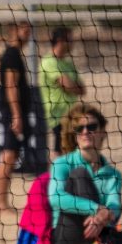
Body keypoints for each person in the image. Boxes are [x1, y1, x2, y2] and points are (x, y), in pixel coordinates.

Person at [48, 102, 122, 244]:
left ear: (102, 132)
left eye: (91, 127)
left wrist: (104, 216)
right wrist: (97, 209)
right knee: (80, 174)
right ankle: (103, 240)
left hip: (101, 242)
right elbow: (56, 198)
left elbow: (115, 206)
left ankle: (103, 241)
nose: (85, 132)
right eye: (79, 128)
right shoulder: (62, 163)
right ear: (74, 135)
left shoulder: (113, 174)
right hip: (67, 240)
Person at [0, 20, 34, 212]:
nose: (28, 33)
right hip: (13, 112)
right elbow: (11, 86)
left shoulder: (12, 54)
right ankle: (2, 204)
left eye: (29, 29)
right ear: (14, 30)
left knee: (12, 155)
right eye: (24, 29)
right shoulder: (11, 55)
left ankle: (3, 202)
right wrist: (17, 115)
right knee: (8, 155)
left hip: (16, 111)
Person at [39, 27, 85, 159]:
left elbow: (82, 89)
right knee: (60, 150)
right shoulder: (48, 62)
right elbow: (68, 86)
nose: (72, 43)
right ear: (60, 41)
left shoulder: (68, 64)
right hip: (57, 114)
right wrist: (71, 86)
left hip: (71, 114)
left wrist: (71, 86)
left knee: (70, 150)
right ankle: (56, 172)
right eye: (70, 40)